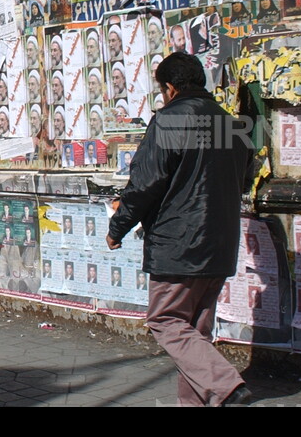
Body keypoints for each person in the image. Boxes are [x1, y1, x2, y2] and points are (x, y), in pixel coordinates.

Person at [106, 53, 254, 407]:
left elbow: (145, 183)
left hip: (179, 244)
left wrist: (118, 226)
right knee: (195, 336)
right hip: (220, 243)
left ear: (170, 89)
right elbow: (243, 181)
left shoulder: (169, 121)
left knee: (166, 321)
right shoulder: (233, 125)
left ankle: (227, 386)